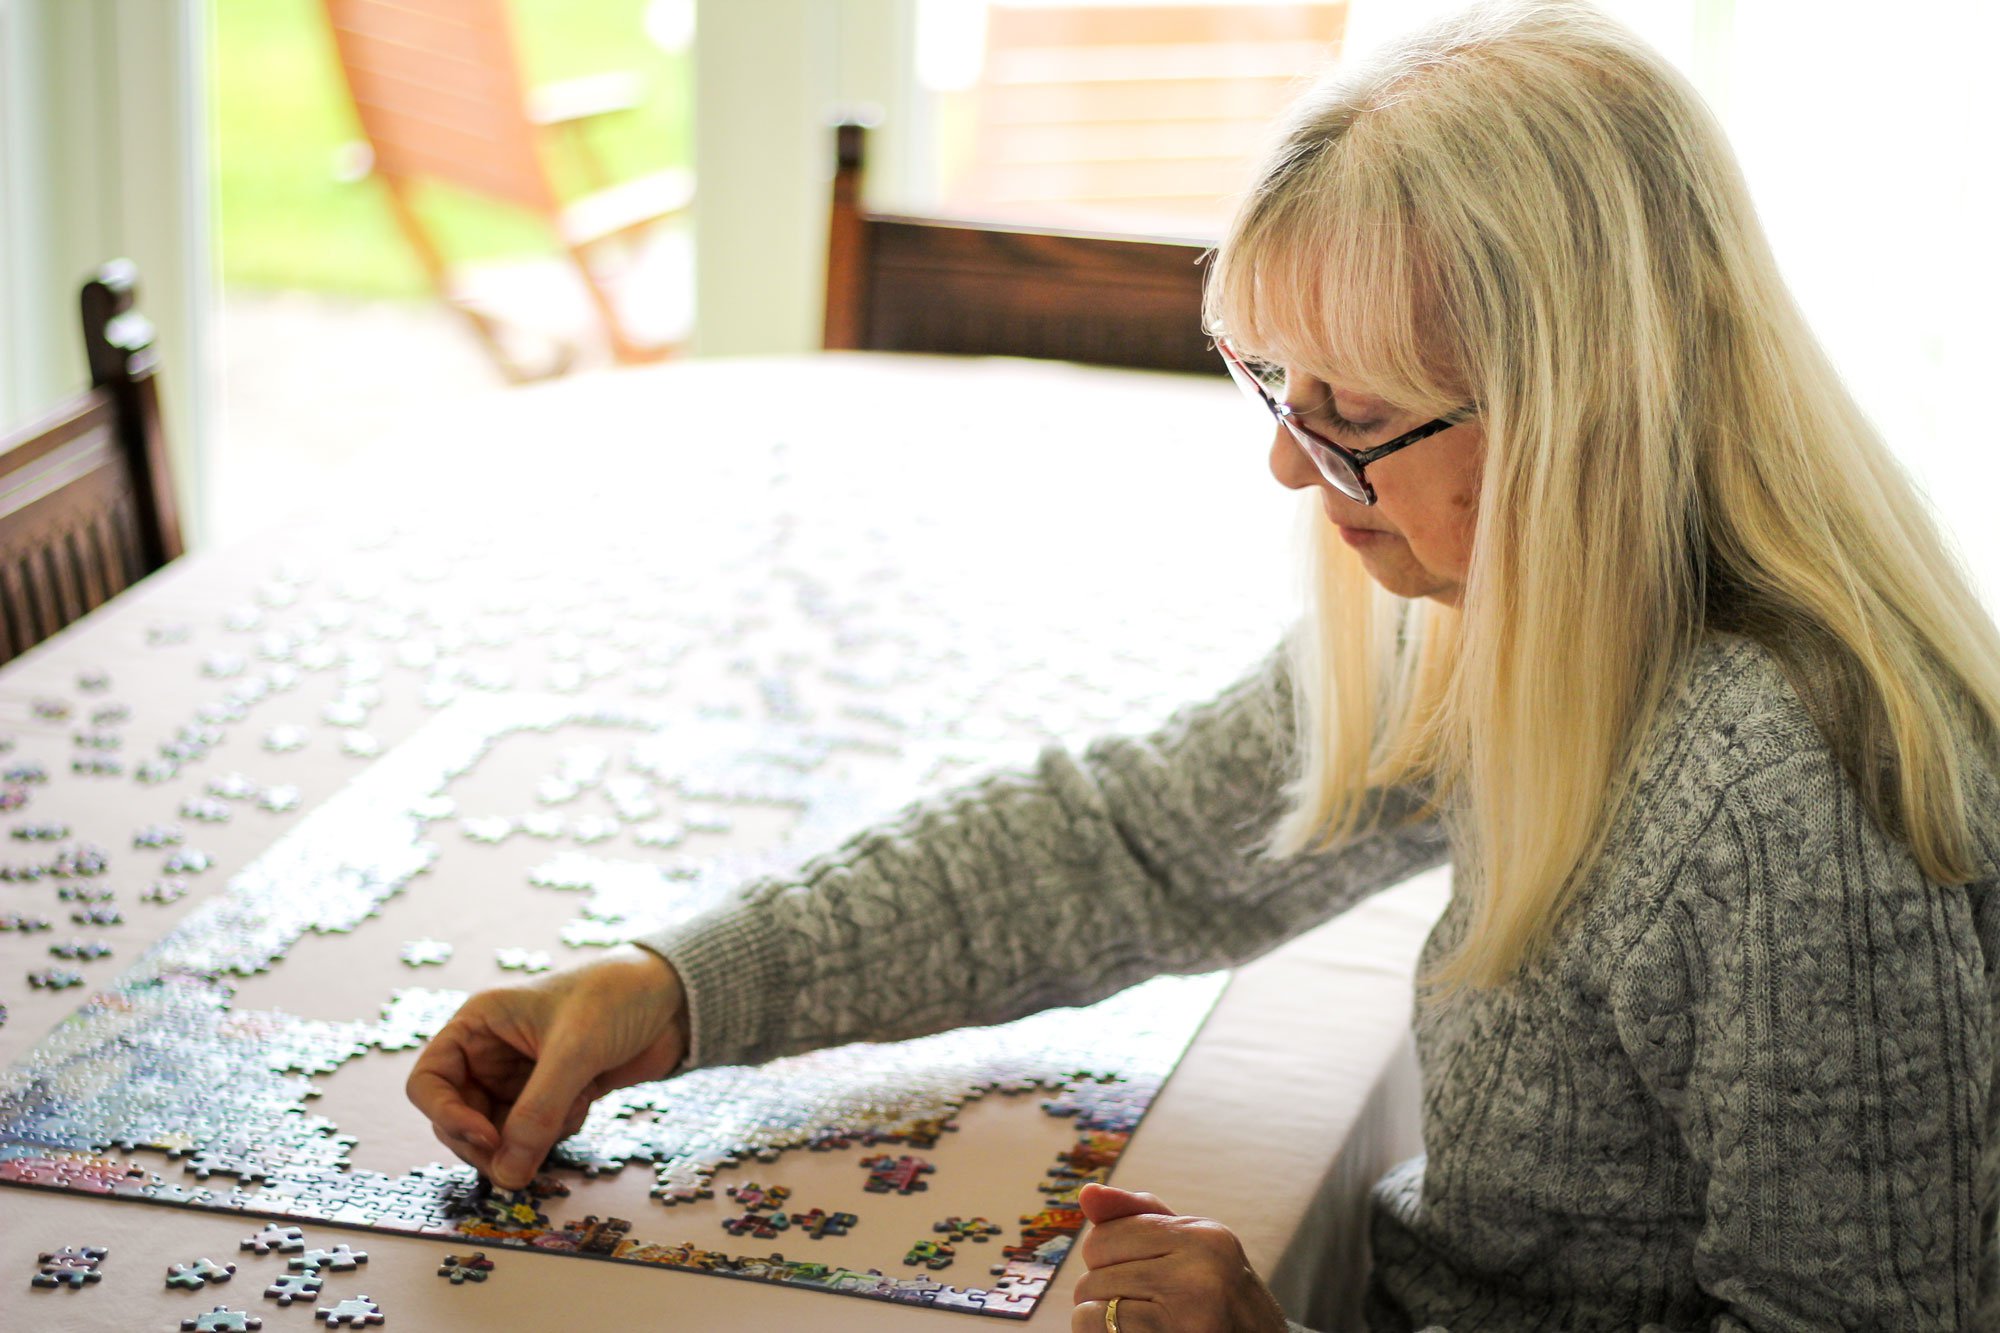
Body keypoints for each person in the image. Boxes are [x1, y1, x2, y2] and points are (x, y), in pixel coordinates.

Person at [408, 2, 2000, 1329]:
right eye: (1275, 390)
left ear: (1577, 409)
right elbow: (1133, 839)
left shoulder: (1790, 802)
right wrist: (680, 986)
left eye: (1355, 421)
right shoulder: (1520, 610)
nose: (1297, 474)